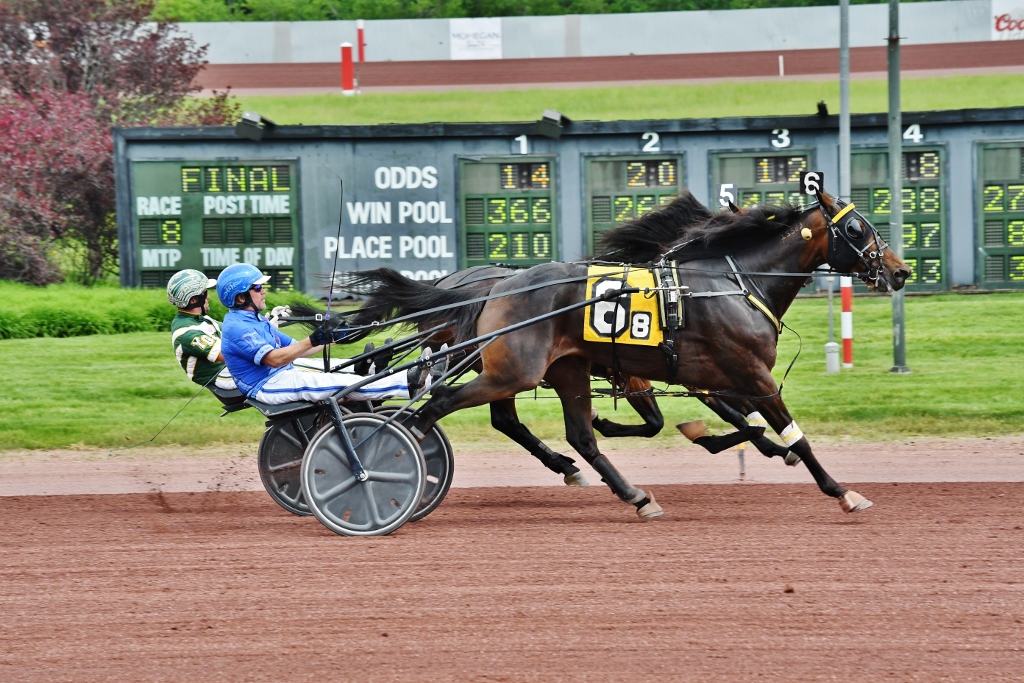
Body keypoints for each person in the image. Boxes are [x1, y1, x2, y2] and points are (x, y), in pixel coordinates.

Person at [216, 263, 442, 405]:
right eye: (257, 288)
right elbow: (275, 359)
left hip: (282, 375)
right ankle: (410, 382)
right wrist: (314, 338)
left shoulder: (253, 320)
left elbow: (297, 349)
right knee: (341, 384)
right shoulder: (237, 328)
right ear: (240, 297)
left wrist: (334, 336)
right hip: (267, 386)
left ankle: (425, 377)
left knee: (340, 377)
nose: (263, 291)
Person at [167, 269, 237, 392]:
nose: (208, 296)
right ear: (194, 300)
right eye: (205, 293)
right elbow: (228, 354)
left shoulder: (198, 319)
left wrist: (268, 323)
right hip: (223, 378)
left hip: (230, 371)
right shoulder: (188, 332)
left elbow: (235, 330)